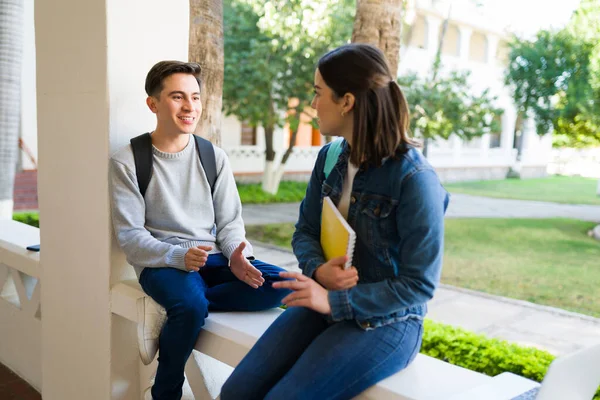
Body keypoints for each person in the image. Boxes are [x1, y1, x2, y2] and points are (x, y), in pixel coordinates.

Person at [221, 43, 450, 400]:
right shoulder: (329, 157)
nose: (313, 103)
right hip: (325, 299)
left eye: (318, 92)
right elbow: (306, 231)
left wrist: (333, 303)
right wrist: (318, 270)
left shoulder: (415, 179)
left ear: (347, 101)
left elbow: (419, 285)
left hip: (391, 321)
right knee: (236, 391)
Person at [109, 60, 290, 400]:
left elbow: (230, 223)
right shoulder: (128, 161)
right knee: (190, 306)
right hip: (162, 263)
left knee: (284, 284)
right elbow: (131, 239)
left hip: (214, 259)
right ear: (153, 103)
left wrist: (238, 254)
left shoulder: (213, 156)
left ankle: (172, 308)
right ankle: (166, 392)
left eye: (195, 97)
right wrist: (178, 256)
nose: (190, 107)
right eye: (178, 97)